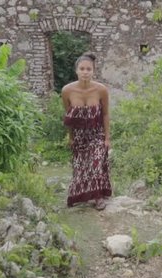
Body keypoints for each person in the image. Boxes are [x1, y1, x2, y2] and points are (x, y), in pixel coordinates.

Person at [61, 53, 112, 210]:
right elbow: (69, 117)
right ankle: (83, 195)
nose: (85, 72)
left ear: (93, 71)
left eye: (88, 69)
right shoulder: (67, 91)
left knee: (96, 163)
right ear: (76, 71)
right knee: (81, 167)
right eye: (82, 69)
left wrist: (107, 139)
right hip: (79, 136)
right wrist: (70, 138)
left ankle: (98, 198)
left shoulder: (101, 90)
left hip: (97, 134)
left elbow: (105, 114)